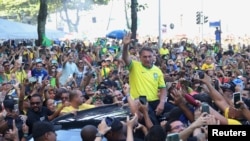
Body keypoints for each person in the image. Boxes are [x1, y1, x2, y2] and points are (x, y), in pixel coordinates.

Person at [122, 33, 174, 124]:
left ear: (153, 57)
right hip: (141, 102)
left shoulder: (157, 70)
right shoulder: (134, 66)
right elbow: (125, 57)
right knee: (153, 121)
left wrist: (162, 103)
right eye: (145, 57)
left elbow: (163, 88)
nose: (147, 59)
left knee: (176, 110)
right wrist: (125, 45)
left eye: (150, 56)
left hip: (155, 101)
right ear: (140, 57)